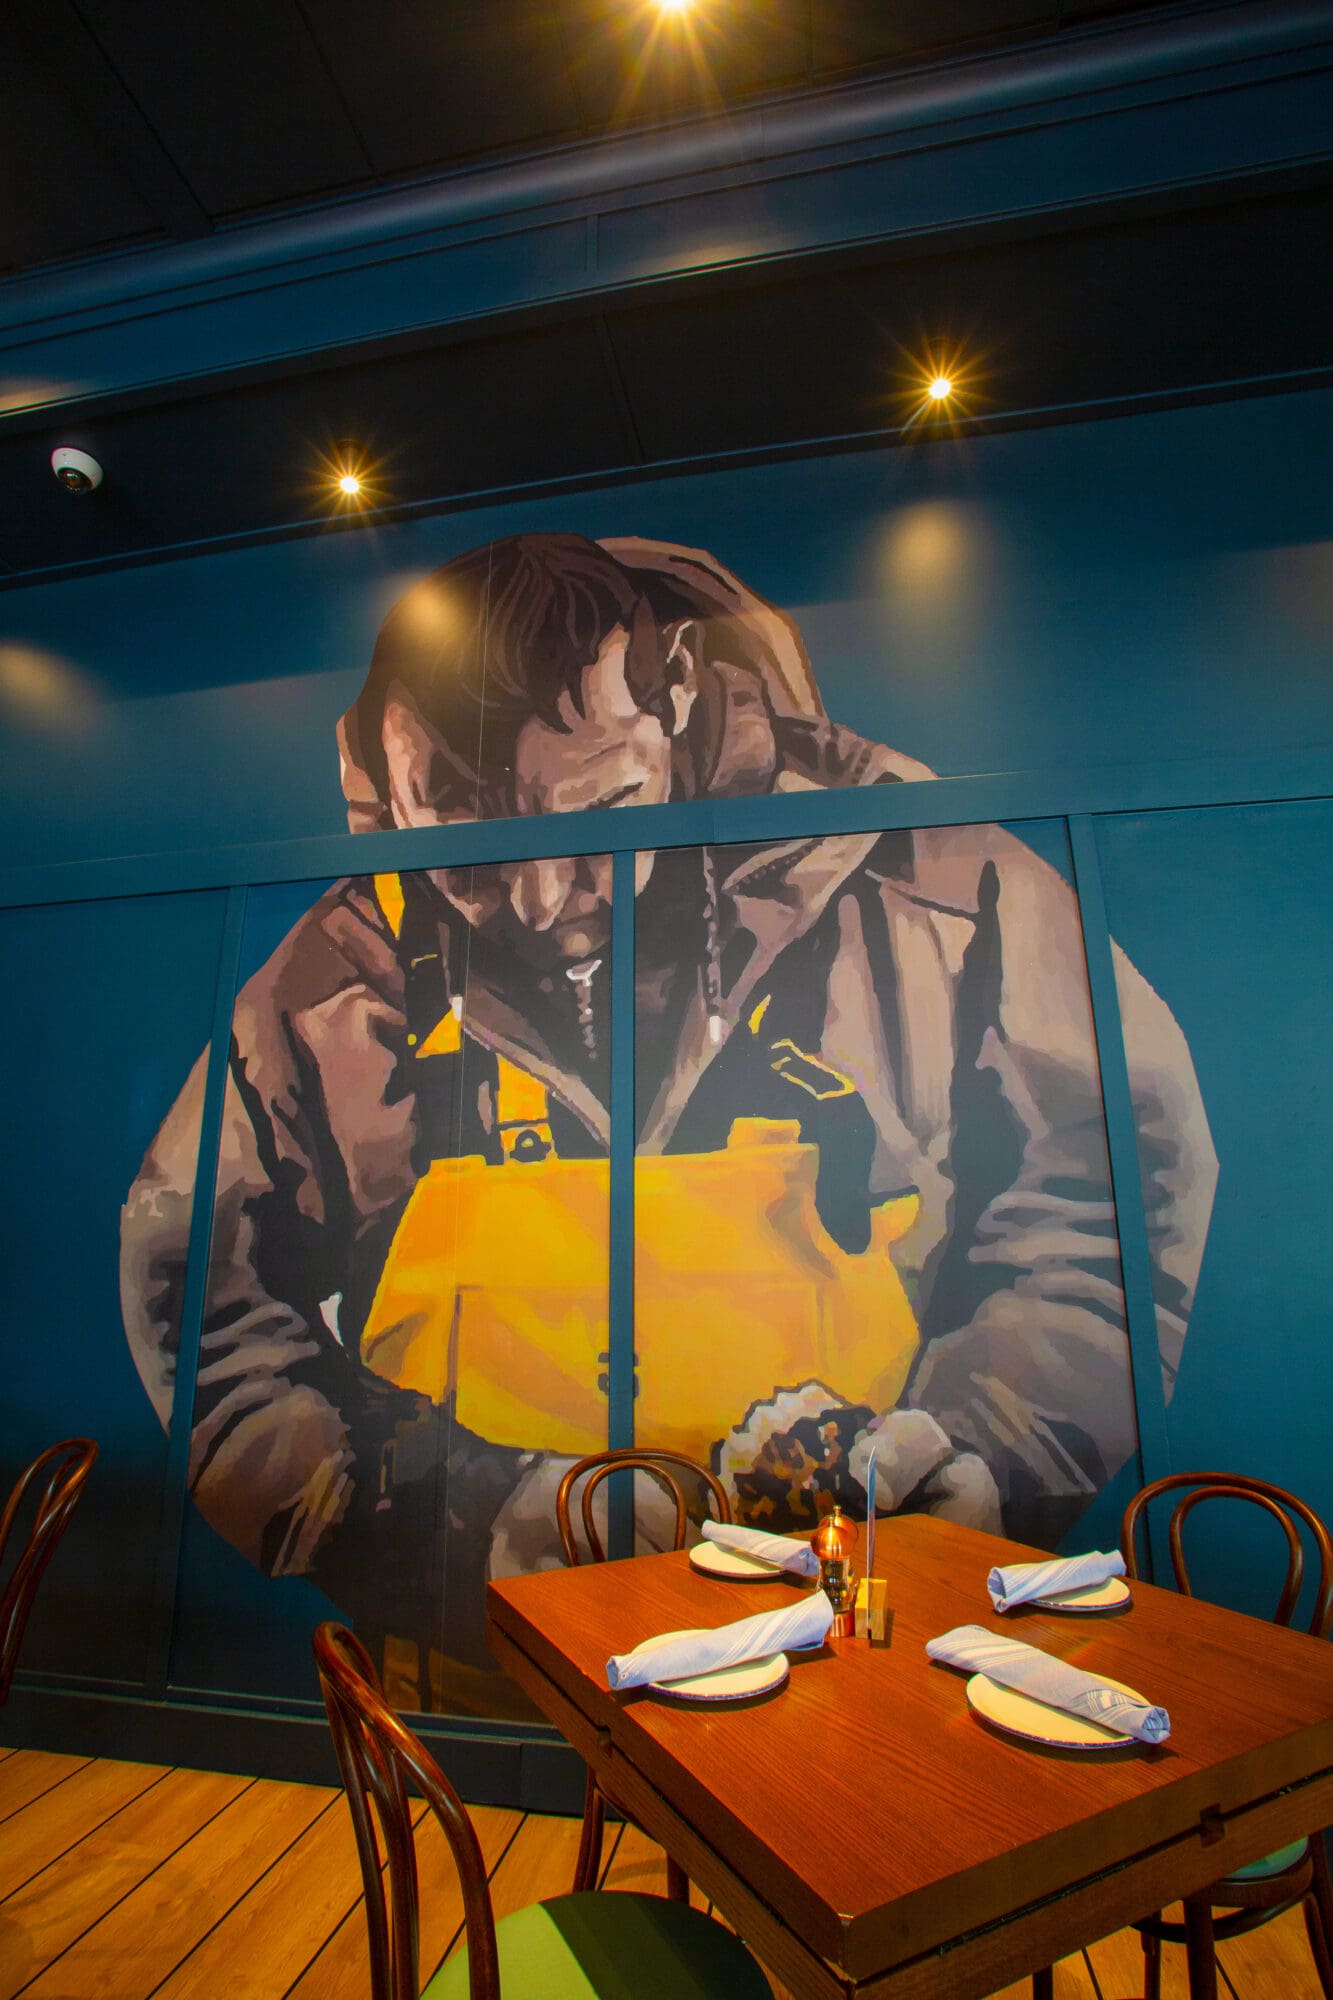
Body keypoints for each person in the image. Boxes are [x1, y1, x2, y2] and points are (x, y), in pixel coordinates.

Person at [121, 532, 1216, 1716]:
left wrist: (987, 1448)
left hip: (856, 1622)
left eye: (598, 817)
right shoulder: (336, 982)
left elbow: (1112, 1184)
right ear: (385, 788)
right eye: (468, 848)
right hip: (489, 1644)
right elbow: (195, 1283)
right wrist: (442, 1521)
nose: (541, 901)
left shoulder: (939, 885)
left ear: (679, 697)